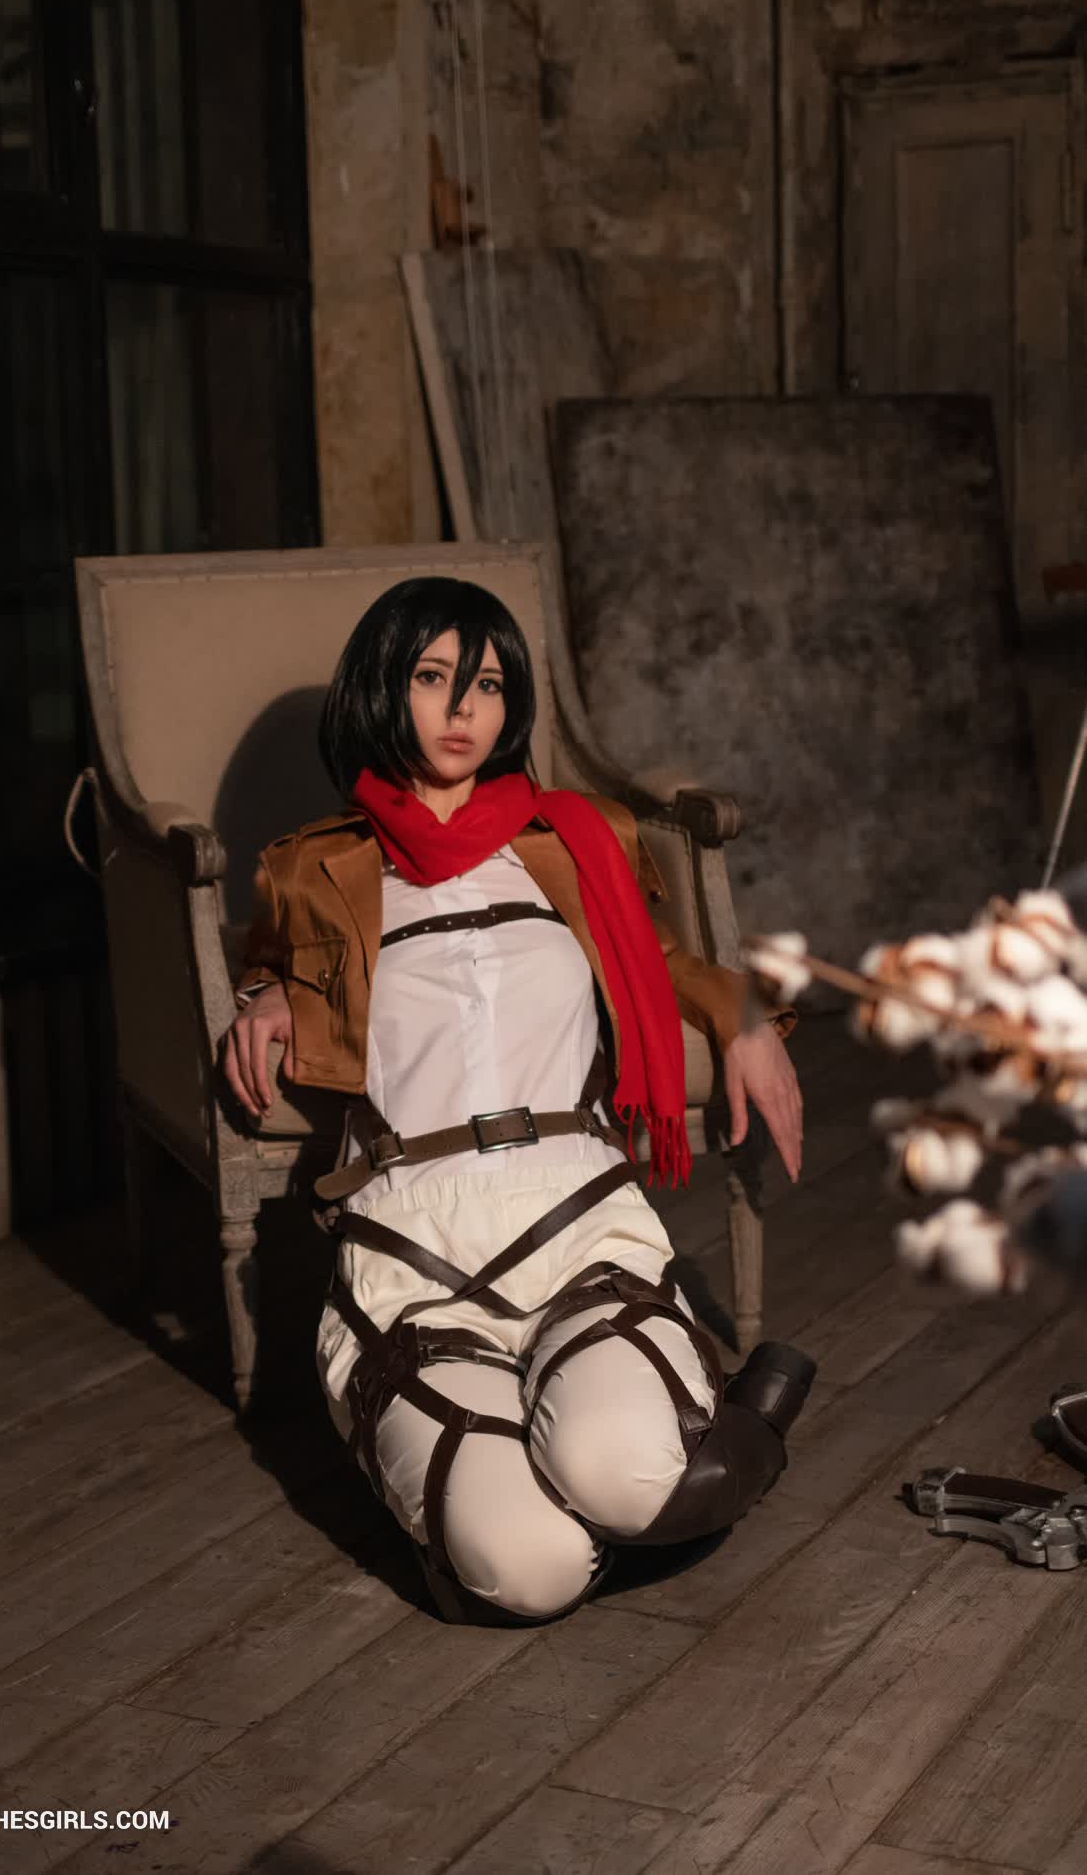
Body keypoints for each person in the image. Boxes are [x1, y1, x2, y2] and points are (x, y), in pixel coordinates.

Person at [223, 577, 813, 1626]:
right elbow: (273, 960)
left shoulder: (572, 839)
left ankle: (730, 1434)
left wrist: (744, 1016)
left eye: (488, 685)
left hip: (572, 1213)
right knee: (526, 1572)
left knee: (623, 1475)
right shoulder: (316, 866)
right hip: (413, 1241)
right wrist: (267, 993)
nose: (463, 710)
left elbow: (661, 958)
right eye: (433, 678)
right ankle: (549, 1471)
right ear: (381, 689)